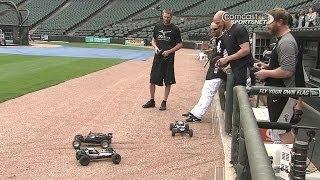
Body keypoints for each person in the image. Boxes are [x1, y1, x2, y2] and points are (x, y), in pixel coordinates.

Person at [255, 8, 304, 139]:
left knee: (283, 131)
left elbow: (287, 71)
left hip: (284, 94)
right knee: (279, 129)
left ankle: (287, 159)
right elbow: (285, 66)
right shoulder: (284, 39)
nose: (266, 25)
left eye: (269, 21)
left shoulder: (286, 41)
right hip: (280, 93)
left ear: (280, 22)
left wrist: (266, 73)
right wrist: (268, 66)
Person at [182, 22, 227, 122]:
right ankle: (194, 112)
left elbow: (226, 55)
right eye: (211, 29)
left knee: (209, 92)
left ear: (220, 28)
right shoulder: (217, 39)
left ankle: (198, 115)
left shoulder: (225, 39)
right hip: (212, 68)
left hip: (218, 70)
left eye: (215, 29)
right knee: (205, 91)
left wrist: (222, 65)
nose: (212, 31)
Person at [142, 9, 182, 111]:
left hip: (169, 59)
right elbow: (153, 40)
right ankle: (152, 100)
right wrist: (155, 47)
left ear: (171, 17)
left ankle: (164, 102)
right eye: (164, 17)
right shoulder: (157, 26)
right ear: (162, 16)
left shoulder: (175, 29)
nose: (166, 19)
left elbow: (180, 44)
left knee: (168, 81)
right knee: (152, 79)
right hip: (158, 57)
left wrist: (169, 51)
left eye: (168, 17)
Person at [213, 11, 252, 86]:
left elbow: (246, 50)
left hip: (244, 70)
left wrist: (227, 59)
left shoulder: (239, 28)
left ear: (225, 18)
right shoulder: (227, 33)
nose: (217, 26)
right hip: (234, 70)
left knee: (241, 95)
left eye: (218, 23)